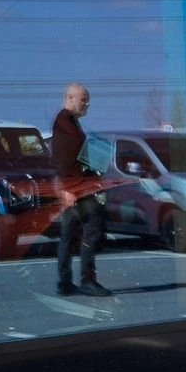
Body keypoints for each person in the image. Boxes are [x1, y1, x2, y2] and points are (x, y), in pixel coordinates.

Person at [50, 82, 110, 297]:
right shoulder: (65, 123)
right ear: (70, 98)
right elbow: (62, 159)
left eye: (87, 100)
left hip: (75, 187)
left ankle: (65, 282)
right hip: (75, 189)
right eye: (83, 100)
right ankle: (87, 280)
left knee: (69, 234)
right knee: (91, 231)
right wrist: (67, 189)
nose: (87, 104)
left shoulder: (68, 122)